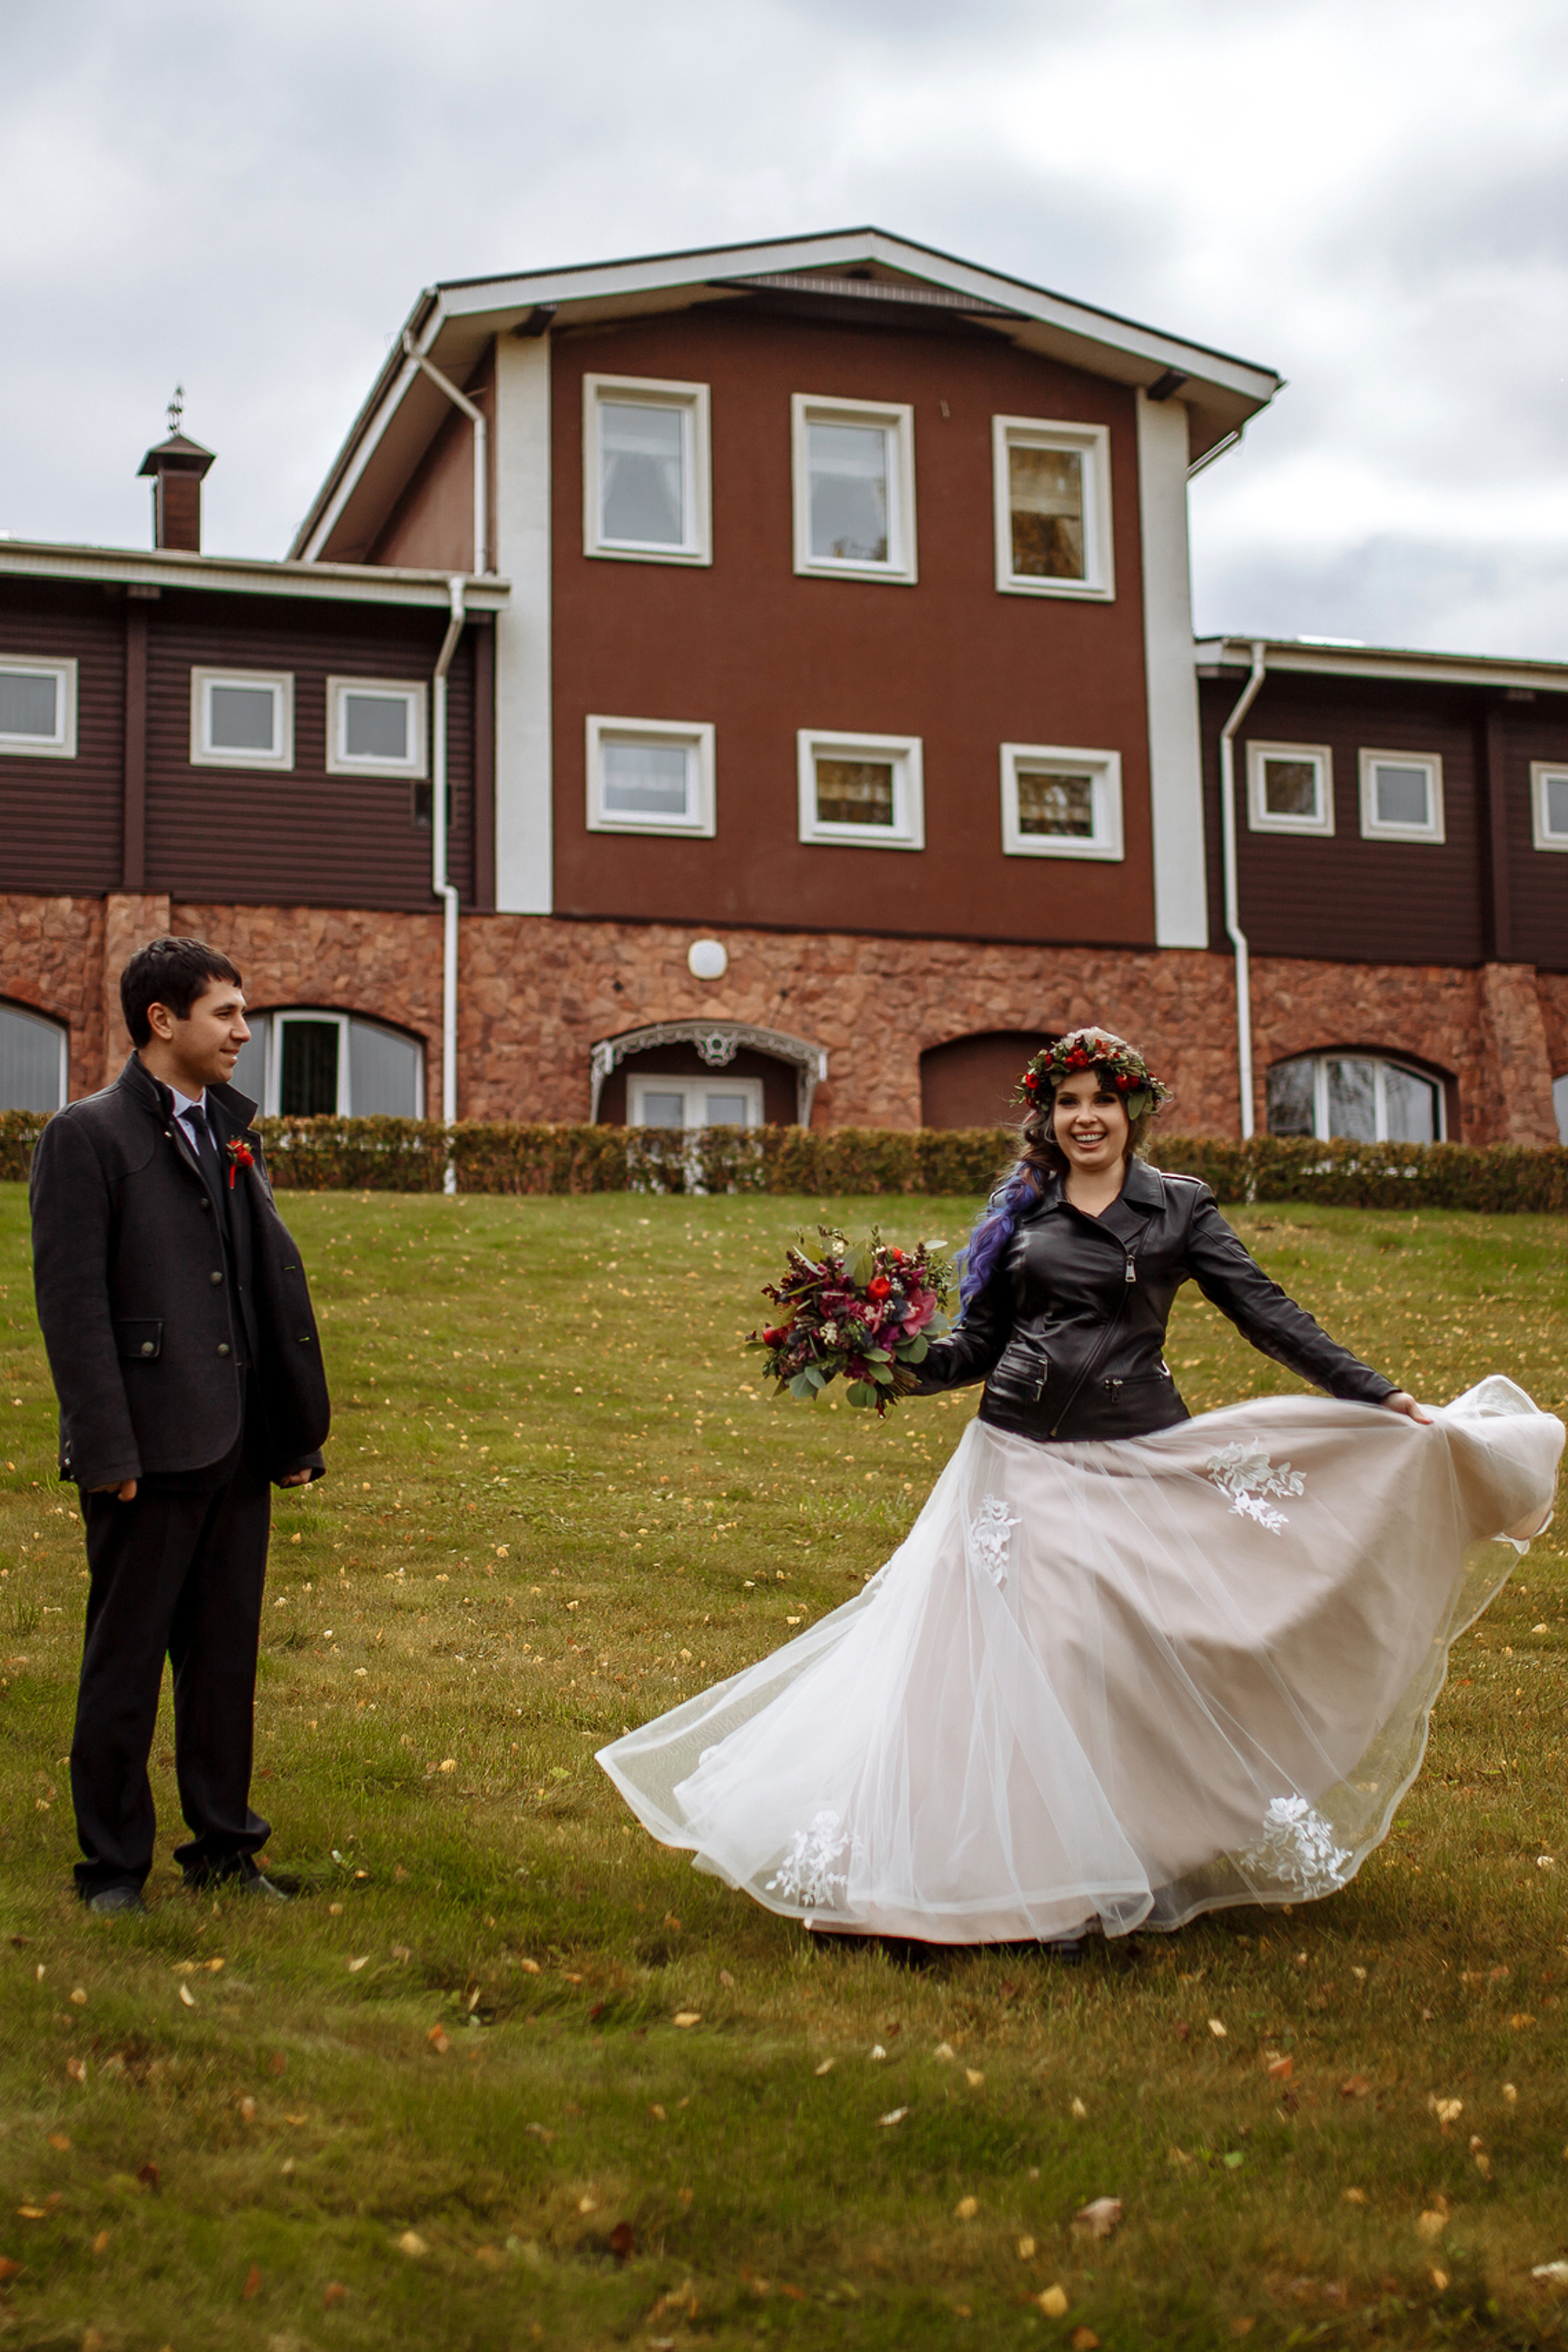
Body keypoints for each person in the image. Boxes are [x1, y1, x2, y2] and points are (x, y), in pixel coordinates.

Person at [599, 1028, 1562, 1948]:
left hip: (1138, 1460)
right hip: (1015, 1463)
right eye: (1068, 1101)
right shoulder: (1019, 1210)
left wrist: (1379, 1395)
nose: (1086, 1116)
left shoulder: (1180, 1208)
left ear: (1134, 1110)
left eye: (1103, 1099)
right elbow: (976, 1345)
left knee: (1124, 1664)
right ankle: (980, 1886)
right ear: (1047, 1114)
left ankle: (1094, 1869)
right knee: (1013, 1667)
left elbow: (1268, 1314)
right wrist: (882, 1356)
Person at [30, 937, 331, 1914]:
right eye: (226, 1013)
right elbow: (73, 1310)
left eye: (243, 1013)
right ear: (163, 1021)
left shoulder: (231, 1130)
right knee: (124, 1666)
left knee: (224, 1664)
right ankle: (113, 1869)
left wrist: (287, 1437)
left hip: (236, 1446)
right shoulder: (86, 1137)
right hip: (147, 1453)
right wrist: (104, 1449)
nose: (244, 1031)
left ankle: (224, 1853)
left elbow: (252, 1286)